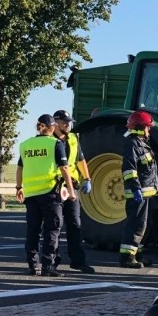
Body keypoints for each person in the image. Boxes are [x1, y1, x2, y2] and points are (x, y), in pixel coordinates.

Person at [15, 114, 76, 277]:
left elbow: (20, 168)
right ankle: (48, 266)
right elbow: (64, 168)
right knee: (52, 230)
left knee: (33, 230)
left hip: (31, 193)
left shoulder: (26, 144)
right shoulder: (55, 144)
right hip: (50, 192)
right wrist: (70, 191)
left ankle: (33, 265)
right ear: (51, 127)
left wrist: (18, 187)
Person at [52, 109, 95, 274]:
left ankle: (78, 261)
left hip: (72, 188)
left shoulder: (73, 138)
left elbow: (80, 159)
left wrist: (88, 178)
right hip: (54, 188)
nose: (67, 125)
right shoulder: (49, 141)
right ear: (55, 123)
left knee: (75, 225)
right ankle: (52, 262)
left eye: (69, 122)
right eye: (64, 122)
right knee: (54, 225)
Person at [119, 110, 158, 269]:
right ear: (140, 127)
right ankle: (127, 257)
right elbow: (129, 169)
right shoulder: (133, 144)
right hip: (138, 193)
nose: (150, 130)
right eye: (148, 127)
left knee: (143, 224)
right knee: (135, 224)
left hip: (145, 193)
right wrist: (135, 189)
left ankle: (137, 254)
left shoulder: (142, 144)